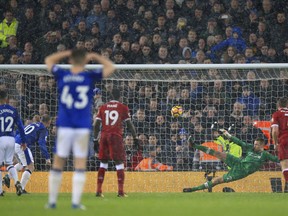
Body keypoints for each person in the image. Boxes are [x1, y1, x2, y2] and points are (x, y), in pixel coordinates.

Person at [44, 49, 115, 209]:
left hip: (65, 124)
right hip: (82, 126)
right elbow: (110, 67)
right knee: (80, 163)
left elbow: (49, 60)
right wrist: (95, 56)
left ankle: (52, 202)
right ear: (84, 61)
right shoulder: (88, 77)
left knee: (58, 161)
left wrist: (66, 53)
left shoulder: (62, 75)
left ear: (70, 60)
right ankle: (75, 203)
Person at [183, 129, 279, 193]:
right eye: (254, 144)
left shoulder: (265, 155)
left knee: (218, 180)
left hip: (241, 172)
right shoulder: (250, 148)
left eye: (257, 145)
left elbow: (277, 159)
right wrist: (228, 135)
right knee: (219, 154)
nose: (255, 146)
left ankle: (193, 189)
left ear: (262, 146)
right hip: (238, 162)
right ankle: (194, 145)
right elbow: (239, 142)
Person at [93, 88, 138, 197]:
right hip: (116, 136)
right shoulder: (123, 107)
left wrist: (95, 139)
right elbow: (129, 124)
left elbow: (96, 125)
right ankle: (121, 192)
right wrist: (135, 137)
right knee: (119, 163)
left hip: (104, 136)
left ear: (110, 97)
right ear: (120, 97)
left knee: (103, 163)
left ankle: (99, 191)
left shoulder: (103, 107)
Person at [3, 114, 52, 194]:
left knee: (21, 164)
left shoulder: (33, 124)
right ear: (49, 122)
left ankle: (8, 177)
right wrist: (47, 157)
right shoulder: (43, 129)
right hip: (22, 145)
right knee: (31, 167)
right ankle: (21, 189)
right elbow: (41, 142)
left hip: (15, 142)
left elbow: (20, 130)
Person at [0, 90, 26, 196]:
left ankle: (0, 191)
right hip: (11, 139)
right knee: (10, 164)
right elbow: (20, 127)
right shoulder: (13, 110)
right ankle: (17, 182)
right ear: (7, 99)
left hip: (1, 138)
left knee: (0, 165)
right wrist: (23, 141)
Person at [271, 97, 288, 192]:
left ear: (278, 105)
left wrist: (275, 143)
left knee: (285, 165)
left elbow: (274, 131)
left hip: (284, 140)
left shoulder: (277, 114)